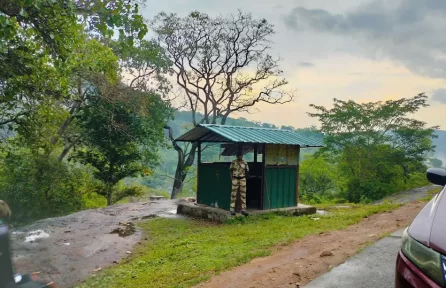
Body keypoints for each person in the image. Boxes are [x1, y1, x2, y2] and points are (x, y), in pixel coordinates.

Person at [229, 152, 249, 216]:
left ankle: (243, 210)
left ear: (242, 156)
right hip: (235, 179)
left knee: (243, 194)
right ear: (236, 156)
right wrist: (231, 178)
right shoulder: (233, 162)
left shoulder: (245, 162)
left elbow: (247, 171)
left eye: (241, 155)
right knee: (233, 194)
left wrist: (244, 177)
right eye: (238, 155)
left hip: (242, 179)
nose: (240, 156)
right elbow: (230, 170)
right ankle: (232, 209)